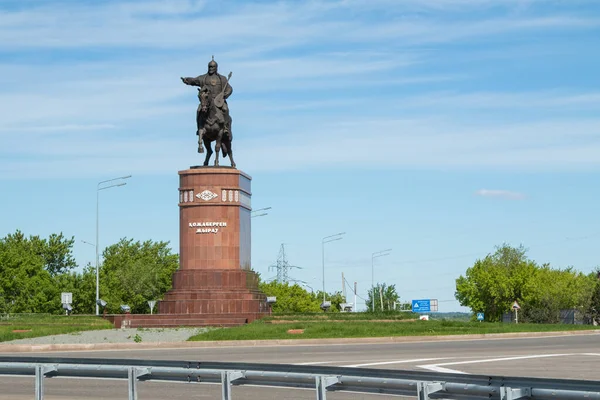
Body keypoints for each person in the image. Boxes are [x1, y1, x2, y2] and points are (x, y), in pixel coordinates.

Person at [181, 57, 232, 152]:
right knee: (198, 110)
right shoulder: (203, 78)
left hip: (218, 102)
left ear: (216, 67)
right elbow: (194, 80)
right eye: (209, 67)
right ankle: (199, 128)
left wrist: (225, 95)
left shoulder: (222, 79)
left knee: (225, 109)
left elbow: (229, 89)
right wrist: (187, 80)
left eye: (212, 67)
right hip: (206, 101)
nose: (211, 68)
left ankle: (225, 128)